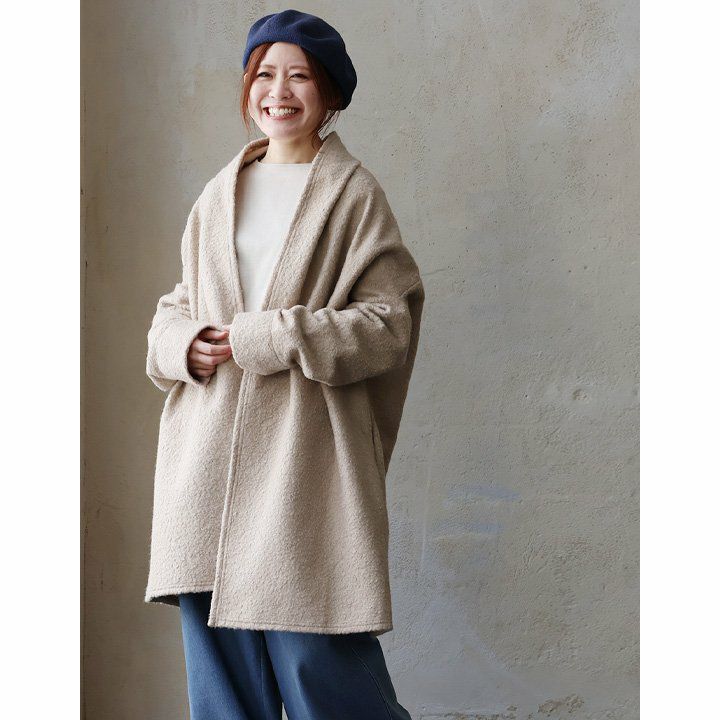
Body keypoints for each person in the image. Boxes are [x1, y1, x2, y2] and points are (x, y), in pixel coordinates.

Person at [144, 9, 424, 719]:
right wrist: (182, 343)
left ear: (329, 95)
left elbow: (387, 324)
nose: (279, 91)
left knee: (323, 673)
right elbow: (179, 302)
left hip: (303, 462)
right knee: (223, 686)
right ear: (248, 89)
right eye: (265, 75)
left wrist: (272, 337)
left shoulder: (354, 196)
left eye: (299, 76)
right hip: (206, 463)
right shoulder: (220, 193)